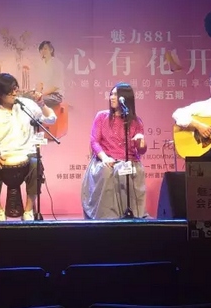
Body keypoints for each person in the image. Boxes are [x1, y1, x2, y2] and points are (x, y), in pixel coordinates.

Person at [0, 73, 56, 221]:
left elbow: (51, 119)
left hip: (27, 154)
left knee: (36, 163)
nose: (15, 93)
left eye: (15, 88)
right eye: (10, 91)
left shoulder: (26, 105)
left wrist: (42, 104)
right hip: (3, 157)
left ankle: (28, 210)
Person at [81, 83, 148, 220]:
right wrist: (105, 158)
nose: (112, 97)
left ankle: (132, 215)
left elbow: (141, 151)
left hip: (128, 160)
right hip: (106, 159)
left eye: (116, 95)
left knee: (129, 171)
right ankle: (107, 217)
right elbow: (94, 141)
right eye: (111, 94)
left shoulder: (136, 121)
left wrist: (141, 143)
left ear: (125, 98)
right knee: (107, 171)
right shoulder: (102, 116)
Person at [35, 40, 65, 107]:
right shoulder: (41, 65)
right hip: (44, 94)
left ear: (51, 50)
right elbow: (40, 83)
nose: (43, 51)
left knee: (38, 101)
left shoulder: (57, 64)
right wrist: (38, 93)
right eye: (41, 49)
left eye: (45, 49)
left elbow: (56, 86)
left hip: (56, 95)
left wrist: (42, 94)